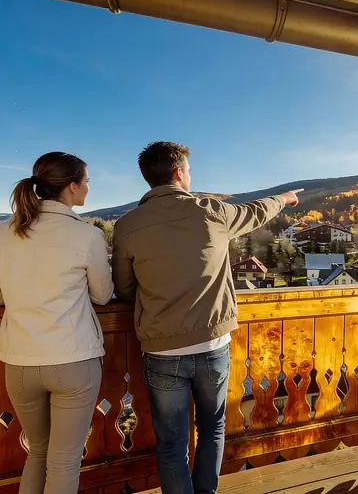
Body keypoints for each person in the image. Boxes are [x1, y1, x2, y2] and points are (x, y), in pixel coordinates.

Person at [112, 141, 302, 494]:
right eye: (188, 170)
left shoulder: (127, 226)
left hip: (163, 349)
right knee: (212, 428)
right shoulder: (212, 212)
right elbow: (256, 211)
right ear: (179, 173)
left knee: (171, 442)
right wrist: (284, 198)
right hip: (213, 344)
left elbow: (123, 288)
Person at [0, 152, 113, 494]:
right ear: (72, 186)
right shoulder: (86, 235)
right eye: (87, 181)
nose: (88, 188)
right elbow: (103, 295)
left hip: (19, 361)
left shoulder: (5, 232)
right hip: (72, 359)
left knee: (38, 452)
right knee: (64, 461)